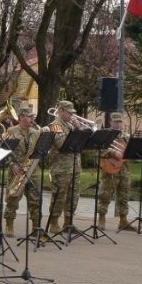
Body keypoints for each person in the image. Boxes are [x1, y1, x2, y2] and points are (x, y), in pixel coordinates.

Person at [3, 106, 42, 237]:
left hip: (32, 169)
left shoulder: (35, 132)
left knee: (35, 199)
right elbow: (5, 150)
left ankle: (36, 227)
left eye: (32, 116)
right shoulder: (11, 131)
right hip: (17, 169)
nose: (32, 118)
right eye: (29, 116)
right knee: (12, 198)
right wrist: (12, 164)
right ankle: (9, 225)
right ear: (21, 118)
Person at [46, 100, 83, 233]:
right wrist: (75, 131)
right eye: (69, 113)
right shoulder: (54, 125)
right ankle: (54, 223)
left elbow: (83, 143)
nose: (71, 116)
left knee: (74, 196)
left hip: (74, 167)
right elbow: (62, 144)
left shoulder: (71, 125)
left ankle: (68, 222)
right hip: (61, 168)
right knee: (59, 196)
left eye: (72, 113)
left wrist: (79, 128)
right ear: (60, 111)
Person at [97, 112, 132, 231]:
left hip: (124, 170)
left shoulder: (126, 137)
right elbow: (99, 150)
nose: (118, 124)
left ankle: (123, 220)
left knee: (124, 195)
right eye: (116, 122)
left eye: (120, 122)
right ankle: (101, 218)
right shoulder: (106, 135)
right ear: (111, 122)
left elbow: (130, 152)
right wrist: (112, 153)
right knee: (105, 195)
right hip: (110, 169)